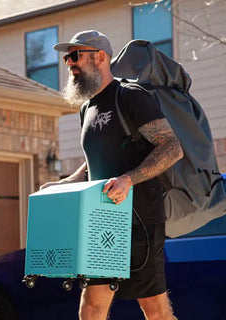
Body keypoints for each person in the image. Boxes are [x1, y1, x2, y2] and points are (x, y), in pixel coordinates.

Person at [41, 30, 183, 320]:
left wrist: (129, 178)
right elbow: (95, 159)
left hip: (139, 220)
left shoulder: (129, 97)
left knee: (153, 308)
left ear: (100, 57)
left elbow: (172, 147)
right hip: (102, 222)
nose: (69, 63)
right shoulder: (86, 109)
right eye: (67, 58)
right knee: (91, 307)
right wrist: (67, 183)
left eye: (75, 56)